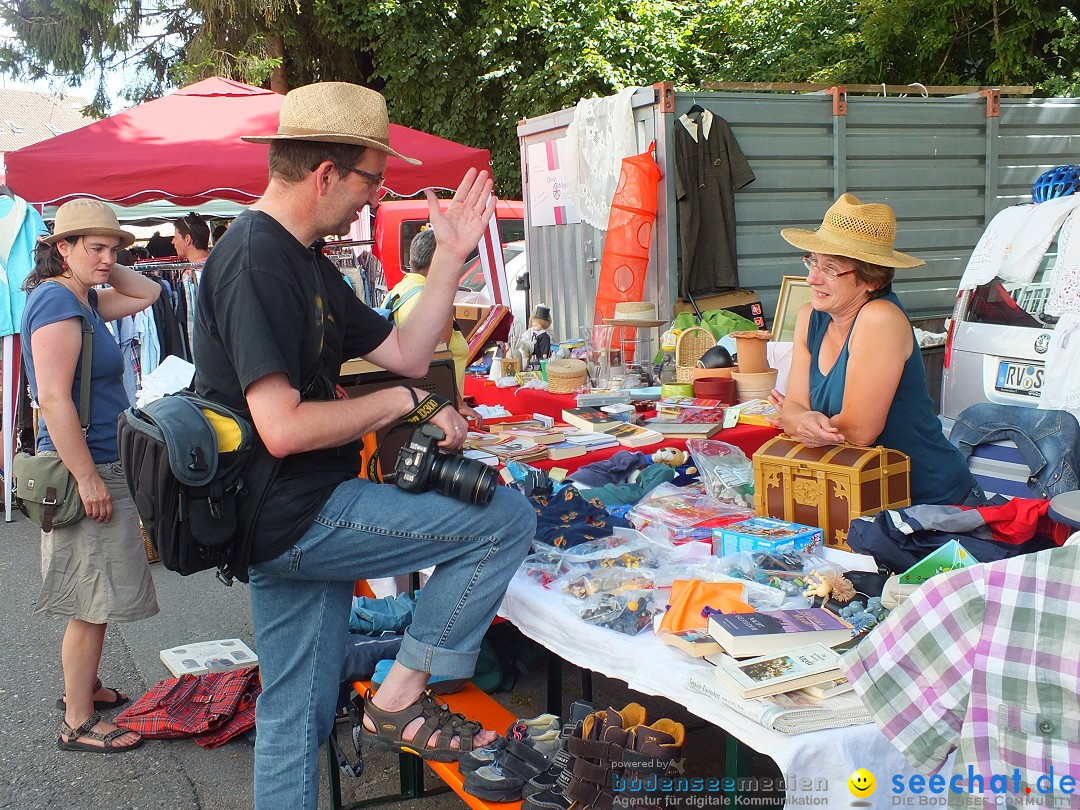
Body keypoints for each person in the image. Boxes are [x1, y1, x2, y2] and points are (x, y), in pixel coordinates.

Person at [192, 81, 536, 809]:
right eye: (371, 181)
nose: (373, 200)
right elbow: (282, 426)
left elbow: (411, 351)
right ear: (326, 173)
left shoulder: (304, 260)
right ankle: (402, 692)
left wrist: (447, 259)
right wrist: (401, 405)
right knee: (503, 519)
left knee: (295, 716)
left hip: (280, 515)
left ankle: (397, 693)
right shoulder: (257, 260)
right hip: (295, 513)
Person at [21, 198, 163, 753]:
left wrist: (102, 260)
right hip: (88, 463)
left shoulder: (78, 296)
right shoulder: (59, 300)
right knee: (91, 597)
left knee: (96, 586)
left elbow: (148, 293)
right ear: (62, 249)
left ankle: (86, 688)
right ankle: (77, 722)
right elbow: (53, 398)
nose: (107, 258)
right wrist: (88, 478)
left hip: (101, 456)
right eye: (94, 247)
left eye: (113, 248)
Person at [770, 193, 981, 506]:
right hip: (859, 497)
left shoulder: (880, 318)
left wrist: (799, 422)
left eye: (830, 268)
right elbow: (795, 408)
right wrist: (799, 419)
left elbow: (859, 430)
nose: (811, 278)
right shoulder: (808, 318)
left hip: (928, 501)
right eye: (812, 261)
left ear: (871, 279)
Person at [385, 226, 481, 423]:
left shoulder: (399, 290)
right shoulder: (432, 299)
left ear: (412, 260)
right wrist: (457, 402)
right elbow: (438, 360)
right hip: (434, 411)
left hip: (413, 407)